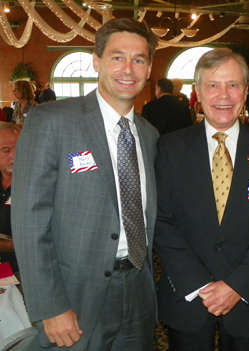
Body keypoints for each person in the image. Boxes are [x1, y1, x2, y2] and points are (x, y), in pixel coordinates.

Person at [12, 18, 159, 350]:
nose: (128, 69)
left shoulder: (148, 135)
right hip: (74, 293)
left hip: (137, 288)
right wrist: (50, 305)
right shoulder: (52, 120)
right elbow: (28, 219)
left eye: (139, 60)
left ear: (149, 69)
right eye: (117, 57)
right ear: (97, 61)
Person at [154, 48, 249, 351]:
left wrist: (236, 286)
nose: (223, 95)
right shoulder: (170, 148)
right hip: (188, 295)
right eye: (213, 85)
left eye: (233, 85)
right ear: (198, 93)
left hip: (247, 296)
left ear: (246, 92)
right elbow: (162, 221)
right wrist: (201, 285)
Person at [0, 123, 21, 275]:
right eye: (6, 151)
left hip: (20, 268)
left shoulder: (35, 185)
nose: (14, 156)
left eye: (19, 149)